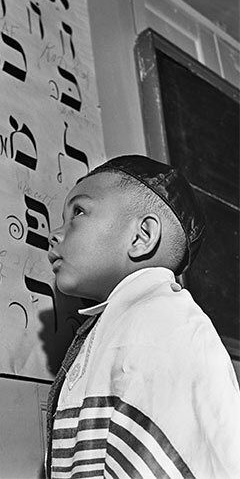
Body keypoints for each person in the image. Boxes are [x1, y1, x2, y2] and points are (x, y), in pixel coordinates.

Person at [45, 155, 240, 477]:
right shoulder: (122, 320)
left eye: (78, 212)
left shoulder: (166, 325)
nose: (55, 233)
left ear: (141, 236)